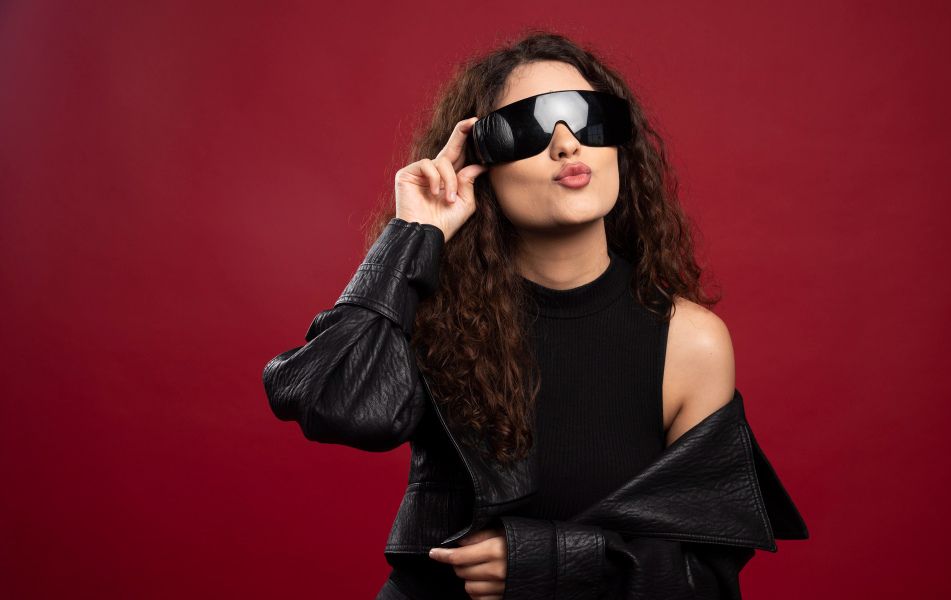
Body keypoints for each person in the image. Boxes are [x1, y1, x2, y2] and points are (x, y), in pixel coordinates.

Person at [263, 30, 807, 600]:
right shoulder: (434, 316)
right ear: (480, 167)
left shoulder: (689, 341)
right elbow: (337, 404)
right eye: (529, 128)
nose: (568, 144)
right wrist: (412, 236)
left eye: (587, 117)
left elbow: (706, 573)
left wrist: (544, 562)